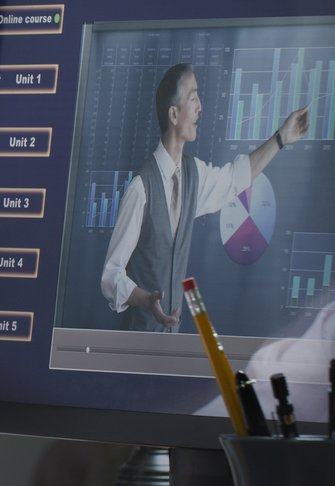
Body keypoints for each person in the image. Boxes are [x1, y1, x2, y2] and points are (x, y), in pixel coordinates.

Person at [99, 62, 309, 331]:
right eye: (193, 97)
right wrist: (146, 299)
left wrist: (281, 138)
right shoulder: (141, 188)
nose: (200, 107)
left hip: (170, 345)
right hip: (137, 342)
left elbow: (236, 178)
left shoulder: (193, 175)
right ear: (174, 114)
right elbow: (110, 276)